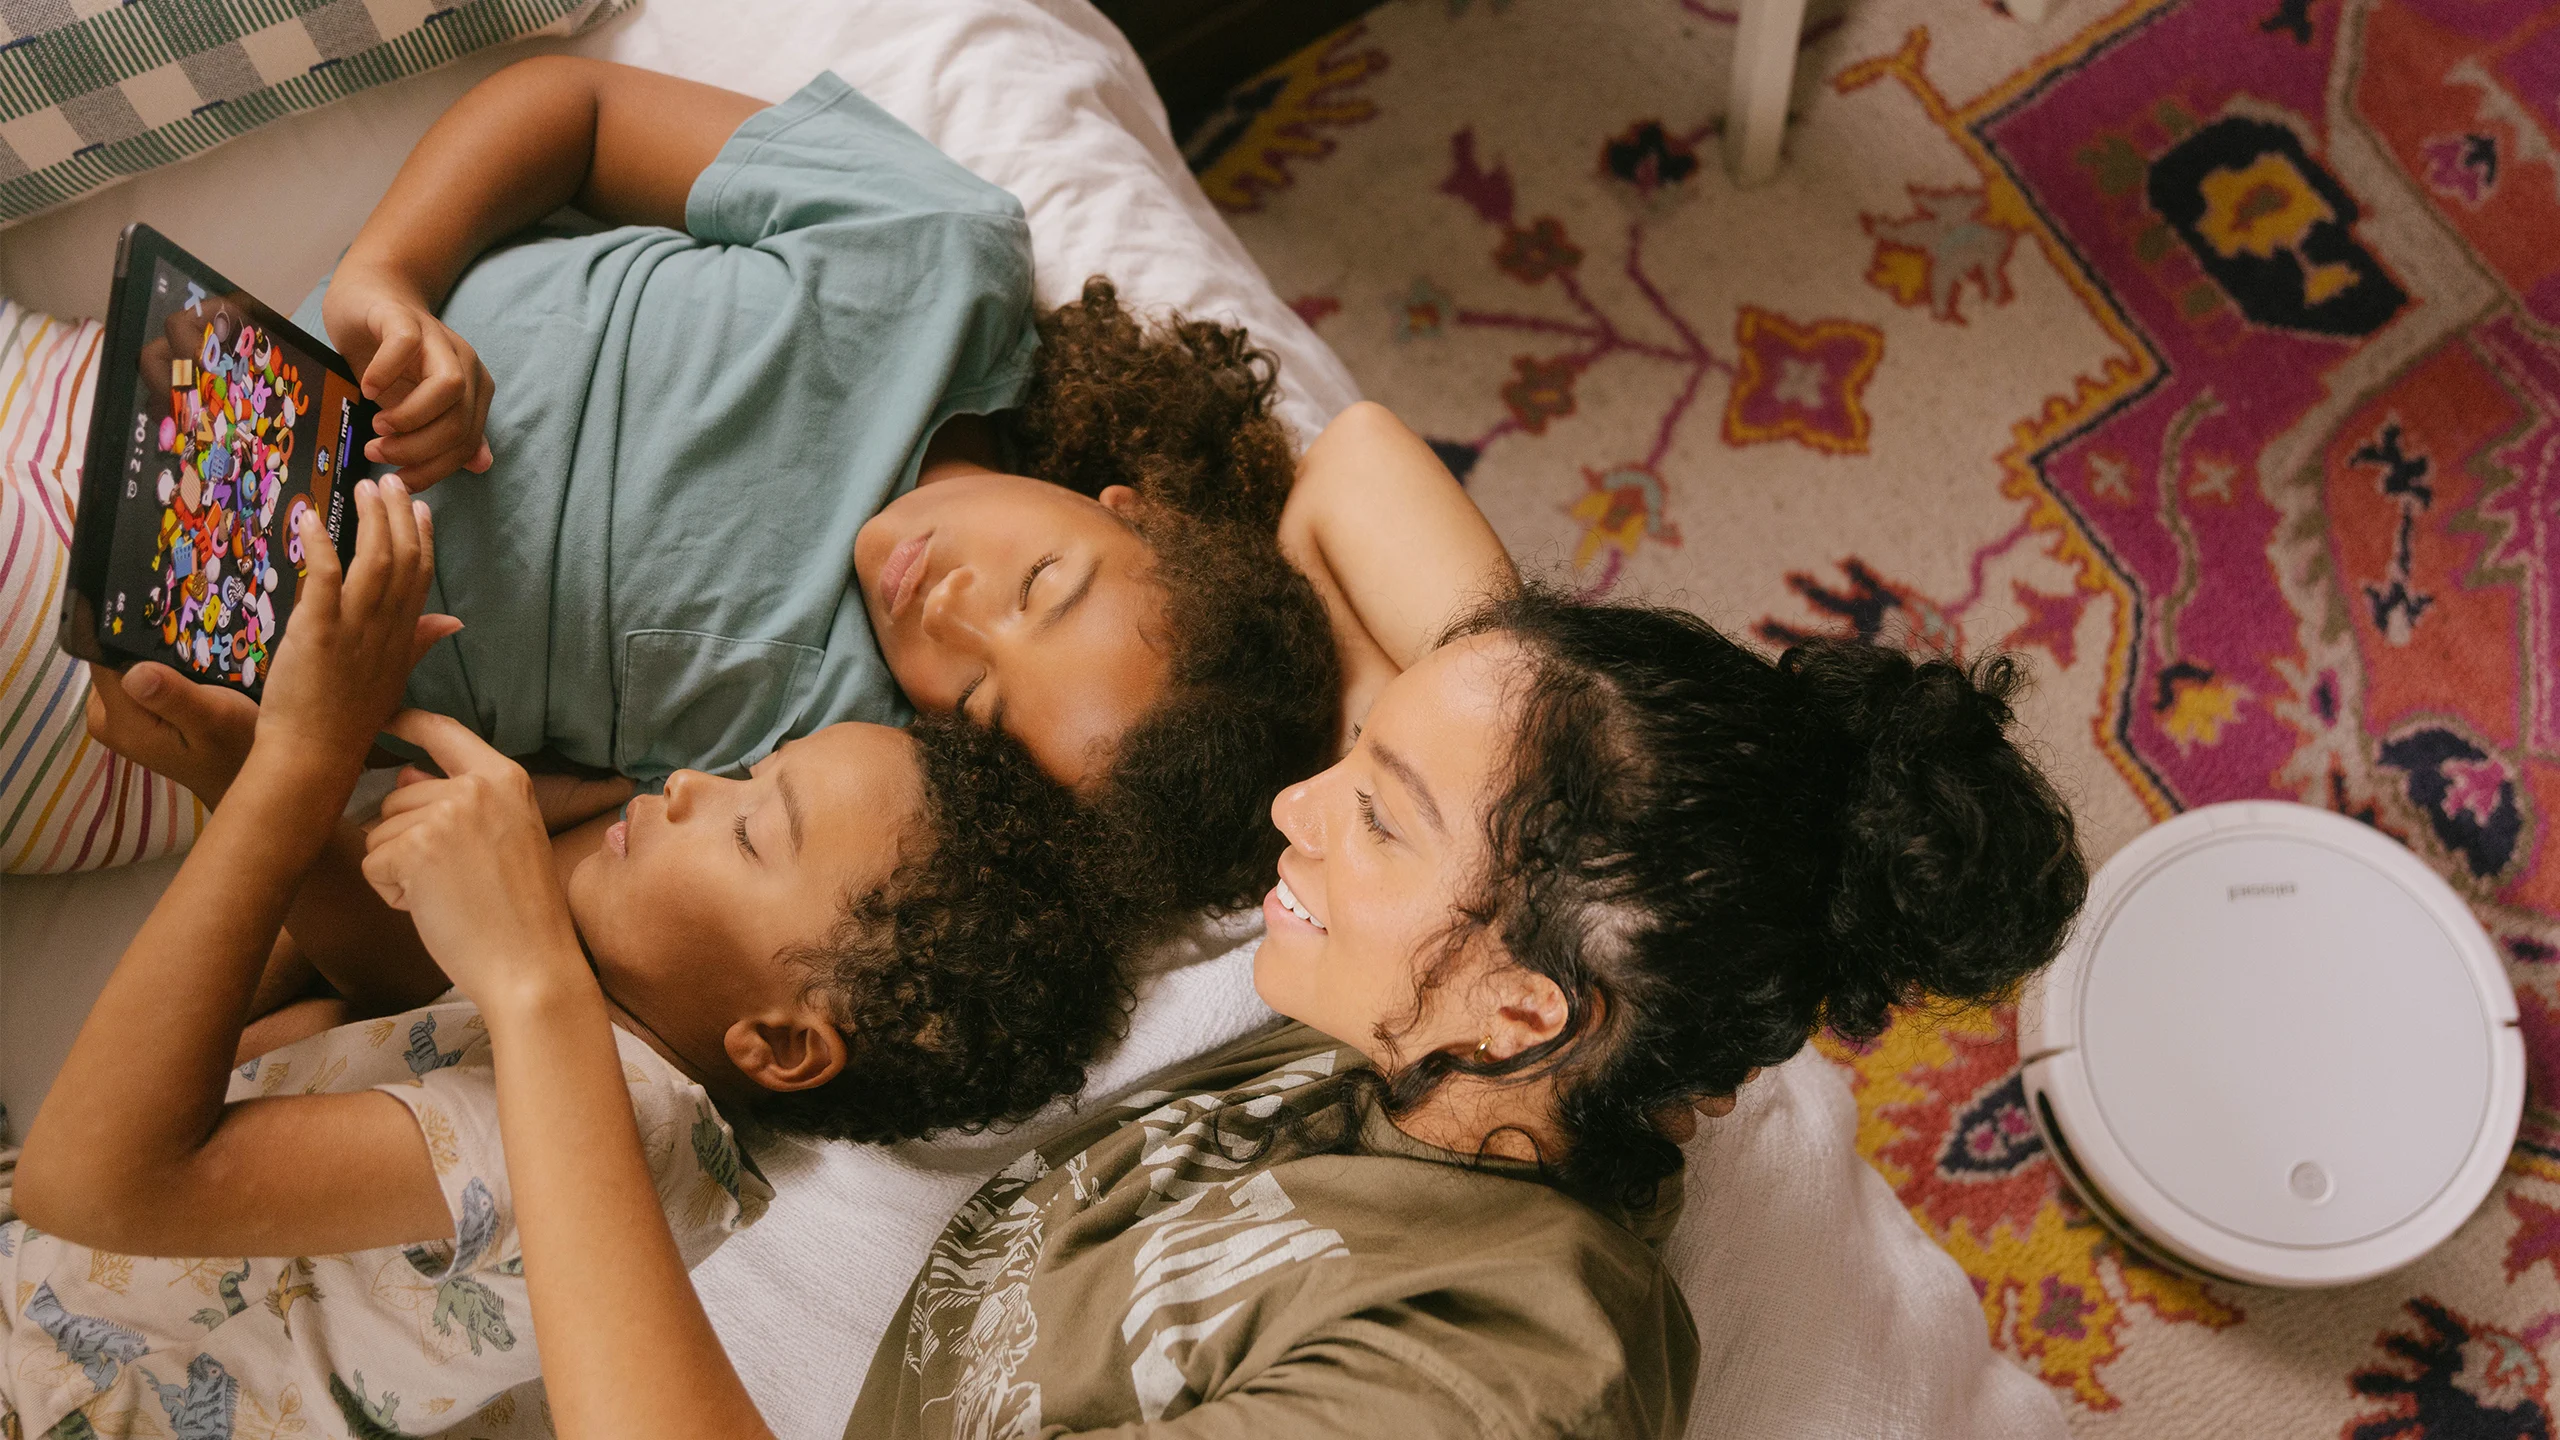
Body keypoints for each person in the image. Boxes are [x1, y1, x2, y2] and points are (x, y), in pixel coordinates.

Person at [316, 577, 2088, 1438]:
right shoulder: (1396, 1041)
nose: (1294, 816)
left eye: (1376, 813)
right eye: (1354, 762)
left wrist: (540, 991)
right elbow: (1370, 493)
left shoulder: (1494, 1371)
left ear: (1522, 1005)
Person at [272, 56, 1508, 930]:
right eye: (1043, 584)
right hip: (259, 371)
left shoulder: (828, 748)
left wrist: (321, 757)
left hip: (242, 651)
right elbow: (575, 109)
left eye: (973, 702)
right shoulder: (932, 255)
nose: (952, 614)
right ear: (1129, 506)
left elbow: (541, 839)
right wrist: (390, 276)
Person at [7, 480, 1129, 1440]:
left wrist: (292, 779)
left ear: (783, 1038)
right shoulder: (629, 1061)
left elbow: (96, 1184)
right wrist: (248, 771)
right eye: (750, 770)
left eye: (749, 829)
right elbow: (399, 994)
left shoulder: (628, 1130)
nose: (689, 786)